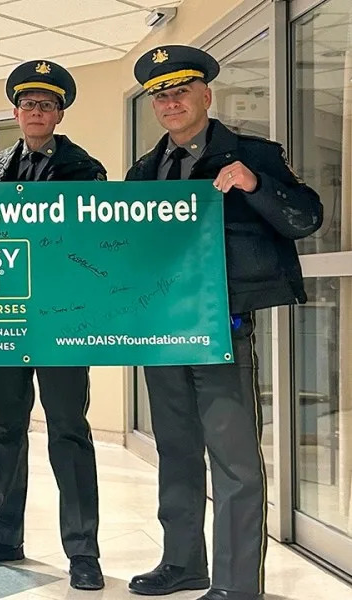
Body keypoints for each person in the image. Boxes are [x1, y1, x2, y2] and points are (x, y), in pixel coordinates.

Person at [126, 45, 322, 600]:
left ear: (205, 96)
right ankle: (184, 563)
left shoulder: (254, 154)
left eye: (180, 91)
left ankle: (238, 586)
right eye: (160, 95)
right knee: (177, 451)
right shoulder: (144, 172)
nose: (170, 102)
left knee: (234, 461)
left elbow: (307, 217)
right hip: (162, 334)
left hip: (221, 329)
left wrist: (256, 185)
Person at [0, 60, 106, 591]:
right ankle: (4, 536)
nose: (35, 112)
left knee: (68, 431)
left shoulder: (85, 171)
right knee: (4, 430)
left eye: (46, 104)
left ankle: (83, 551)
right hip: (4, 319)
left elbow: (89, 247)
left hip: (61, 321)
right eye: (27, 104)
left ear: (59, 112)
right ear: (16, 112)